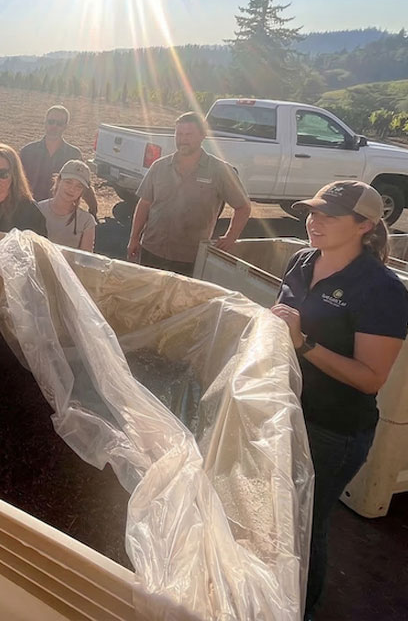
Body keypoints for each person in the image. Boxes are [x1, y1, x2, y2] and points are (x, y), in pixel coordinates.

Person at [270, 181, 408, 619]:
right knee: (274, 516)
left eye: (329, 215)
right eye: (312, 212)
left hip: (332, 431)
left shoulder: (381, 290)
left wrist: (304, 343)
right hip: (284, 409)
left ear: (365, 225)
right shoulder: (301, 259)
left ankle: (300, 611)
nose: (315, 221)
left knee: (304, 526)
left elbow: (371, 379)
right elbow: (282, 320)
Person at [127, 112, 251, 275]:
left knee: (181, 300)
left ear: (202, 135)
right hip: (152, 251)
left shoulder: (220, 171)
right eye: (179, 134)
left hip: (190, 258)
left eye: (189, 134)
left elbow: (243, 207)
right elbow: (144, 204)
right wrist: (134, 238)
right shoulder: (159, 167)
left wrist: (230, 238)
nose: (183, 139)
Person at [20, 105, 98, 215]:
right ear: (45, 123)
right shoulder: (27, 151)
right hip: (29, 211)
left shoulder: (73, 154)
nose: (54, 126)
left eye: (59, 123)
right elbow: (15, 182)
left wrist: (93, 210)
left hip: (60, 214)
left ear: (65, 126)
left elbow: (84, 185)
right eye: (51, 122)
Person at [37, 159, 97, 252]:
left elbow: (85, 260)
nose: (72, 189)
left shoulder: (87, 221)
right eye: (68, 182)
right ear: (59, 180)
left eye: (79, 186)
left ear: (83, 191)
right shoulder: (37, 210)